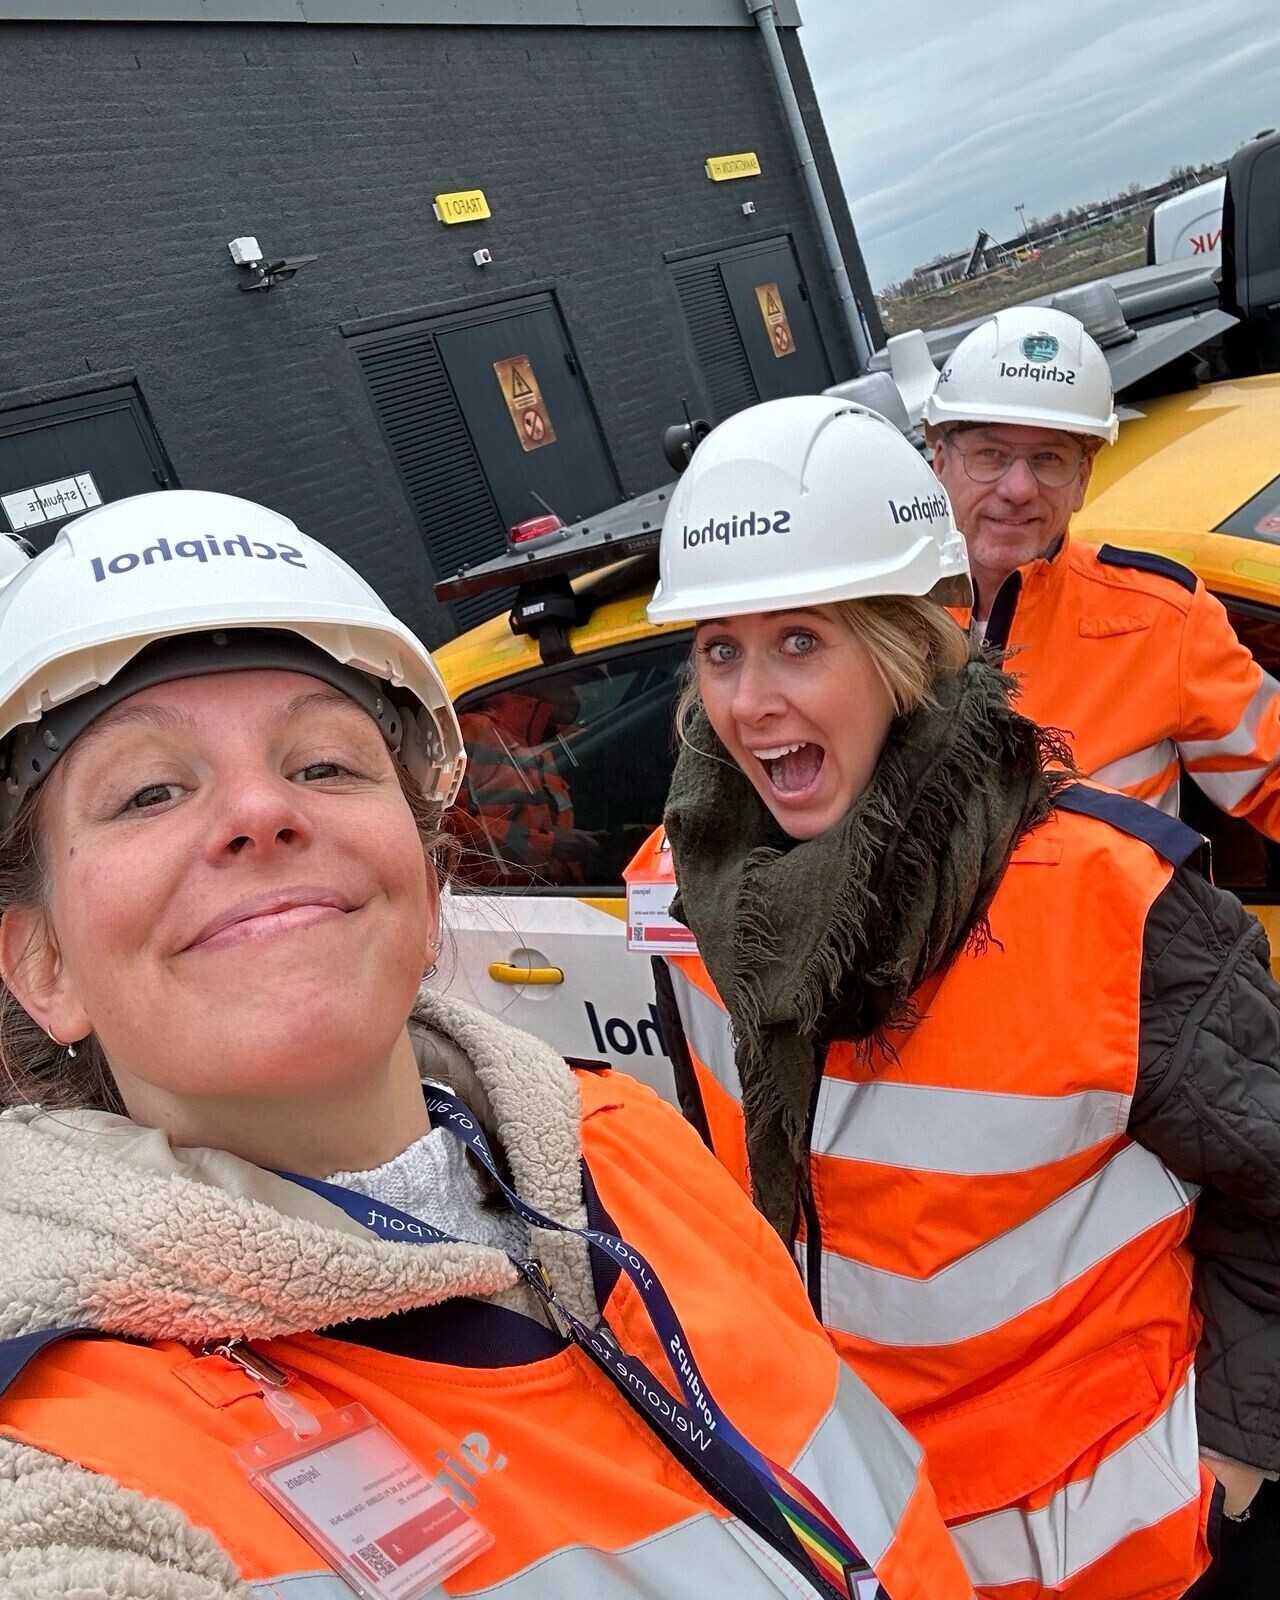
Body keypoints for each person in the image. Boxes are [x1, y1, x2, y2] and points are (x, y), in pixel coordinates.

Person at [0, 489, 971, 1600]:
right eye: (149, 791)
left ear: (427, 887)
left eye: (323, 766)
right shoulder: (74, 1457)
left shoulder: (626, 1145)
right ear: (42, 964)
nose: (260, 811)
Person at [629, 395, 1280, 1600]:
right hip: (867, 1536)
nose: (748, 699)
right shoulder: (689, 896)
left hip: (1121, 1555)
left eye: (799, 641)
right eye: (719, 648)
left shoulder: (1108, 900)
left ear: (907, 647)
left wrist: (1236, 1461)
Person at [924, 305, 1280, 831]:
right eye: (990, 455)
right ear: (940, 463)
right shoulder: (881, 625)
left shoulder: (1160, 620)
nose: (1018, 489)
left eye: (1048, 459)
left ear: (1082, 479)